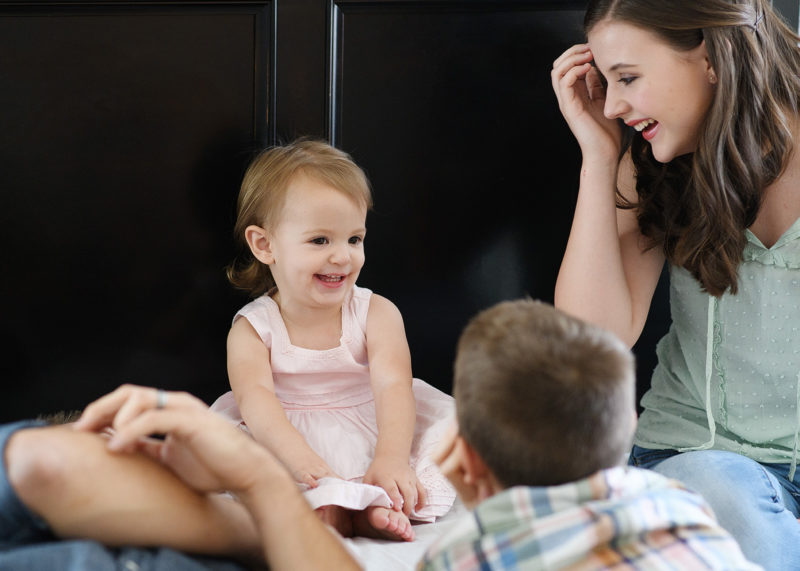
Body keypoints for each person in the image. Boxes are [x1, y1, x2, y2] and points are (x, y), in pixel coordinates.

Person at [551, 0, 800, 567]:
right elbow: (591, 339)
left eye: (629, 78)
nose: (614, 105)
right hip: (697, 464)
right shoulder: (651, 164)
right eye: (608, 82)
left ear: (710, 57)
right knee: (717, 493)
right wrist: (598, 157)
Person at [206, 139, 455, 540]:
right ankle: (334, 509)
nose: (343, 257)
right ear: (265, 245)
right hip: (287, 434)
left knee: (442, 439)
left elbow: (394, 387)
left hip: (372, 425)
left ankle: (371, 509)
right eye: (320, 240)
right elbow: (257, 403)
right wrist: (304, 462)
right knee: (256, 472)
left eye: (354, 239)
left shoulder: (376, 313)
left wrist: (392, 458)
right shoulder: (253, 329)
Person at [421, 299, 758, 570]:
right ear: (629, 424)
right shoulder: (676, 501)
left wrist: (479, 508)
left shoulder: (460, 555)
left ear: (468, 459)